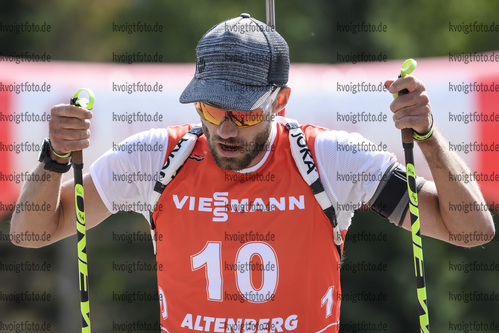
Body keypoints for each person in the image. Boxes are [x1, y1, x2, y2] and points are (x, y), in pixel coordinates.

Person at [11, 13, 494, 333]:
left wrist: (428, 136)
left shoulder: (329, 158)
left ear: (280, 101)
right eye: (209, 107)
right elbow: (32, 232)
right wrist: (53, 157)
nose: (224, 129)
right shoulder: (156, 157)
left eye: (244, 114)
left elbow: (470, 231)